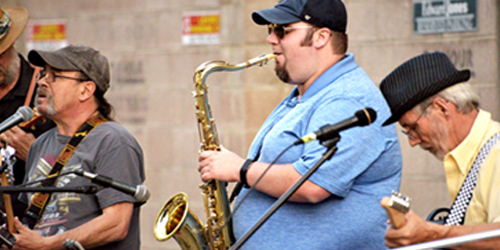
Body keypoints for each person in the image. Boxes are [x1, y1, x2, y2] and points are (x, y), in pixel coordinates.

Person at [198, 0, 402, 248]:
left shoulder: (347, 99)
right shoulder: (306, 93)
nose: (271, 39)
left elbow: (313, 184)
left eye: (282, 30)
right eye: (270, 30)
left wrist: (239, 169)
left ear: (321, 37)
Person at [9, 45, 146, 250]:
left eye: (54, 76)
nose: (41, 81)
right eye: (43, 74)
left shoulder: (113, 140)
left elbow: (116, 224)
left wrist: (47, 244)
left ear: (85, 90)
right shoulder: (39, 144)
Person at [380, 52, 500, 249]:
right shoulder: (470, 154)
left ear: (442, 108)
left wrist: (430, 233)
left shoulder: (496, 153)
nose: (412, 142)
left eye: (413, 128)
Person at [0, 5, 55, 223]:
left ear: (11, 44)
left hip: (34, 223)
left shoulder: (47, 85)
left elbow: (78, 162)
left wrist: (34, 153)